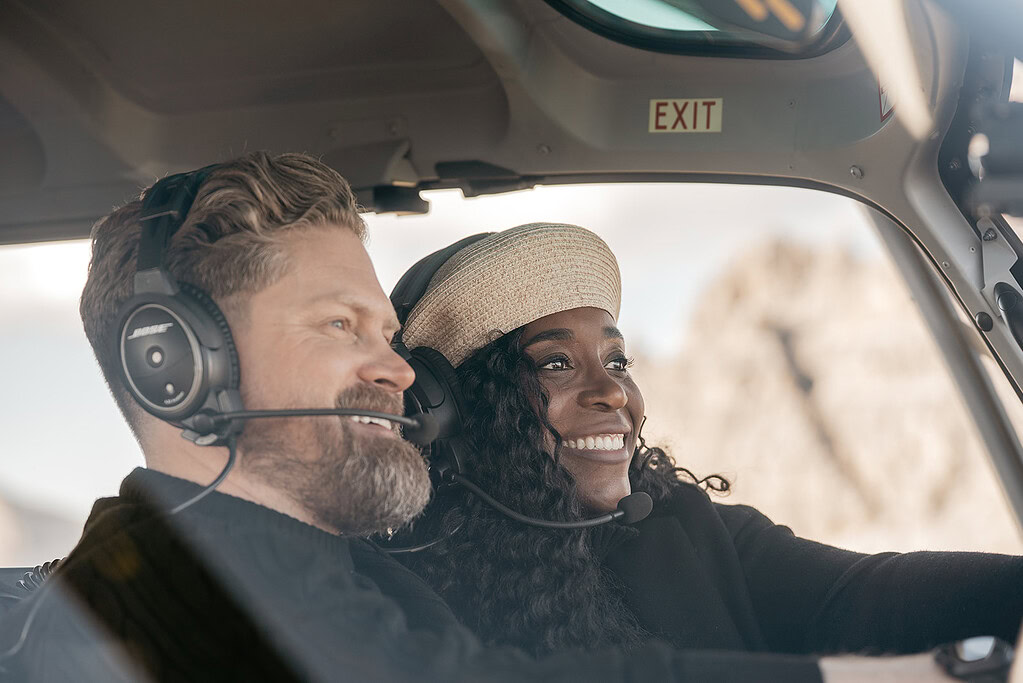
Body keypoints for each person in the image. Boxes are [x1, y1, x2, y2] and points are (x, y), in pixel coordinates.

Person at [0, 153, 833, 682]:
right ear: (177, 363)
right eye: (340, 324)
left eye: (388, 335)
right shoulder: (153, 594)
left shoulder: (318, 569)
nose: (397, 370)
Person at [395, 223, 1023, 670]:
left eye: (617, 360)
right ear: (453, 411)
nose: (612, 391)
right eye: (556, 363)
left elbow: (859, 594)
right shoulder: (404, 597)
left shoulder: (683, 524)